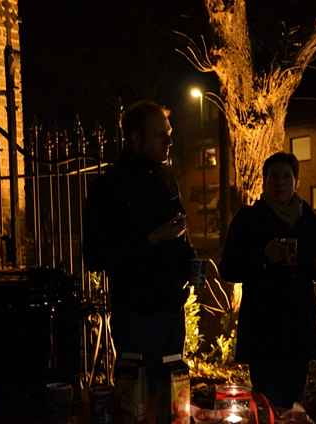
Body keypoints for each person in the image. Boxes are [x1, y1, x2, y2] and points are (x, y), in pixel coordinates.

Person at [84, 100, 194, 424]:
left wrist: (189, 264)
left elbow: (177, 236)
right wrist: (151, 239)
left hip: (171, 306)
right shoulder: (108, 187)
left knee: (173, 399)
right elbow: (96, 255)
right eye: (160, 135)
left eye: (169, 134)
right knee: (135, 404)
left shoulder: (166, 179)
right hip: (134, 310)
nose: (169, 141)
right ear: (134, 139)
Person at [219, 152, 316, 409]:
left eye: (286, 176)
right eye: (273, 176)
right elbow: (228, 268)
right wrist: (263, 258)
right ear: (264, 180)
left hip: (299, 324)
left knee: (294, 403)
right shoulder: (248, 220)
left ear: (296, 181)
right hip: (263, 326)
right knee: (266, 402)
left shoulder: (310, 222)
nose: (279, 182)